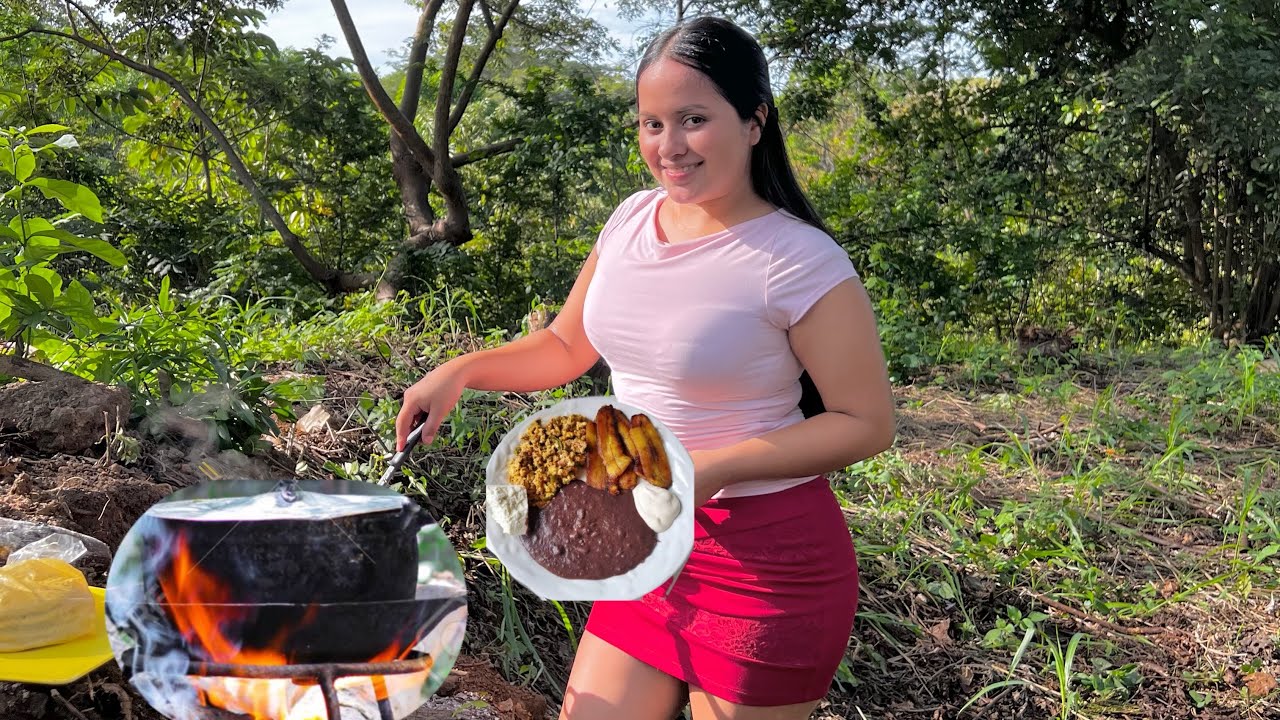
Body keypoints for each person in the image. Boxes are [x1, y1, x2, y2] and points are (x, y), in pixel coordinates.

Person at [395, 15, 895, 720]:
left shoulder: (799, 260)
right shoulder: (630, 220)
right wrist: (461, 370)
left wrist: (706, 470)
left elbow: (866, 423)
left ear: (754, 121)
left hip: (765, 563)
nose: (669, 146)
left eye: (694, 120)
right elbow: (566, 347)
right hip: (642, 543)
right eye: (651, 124)